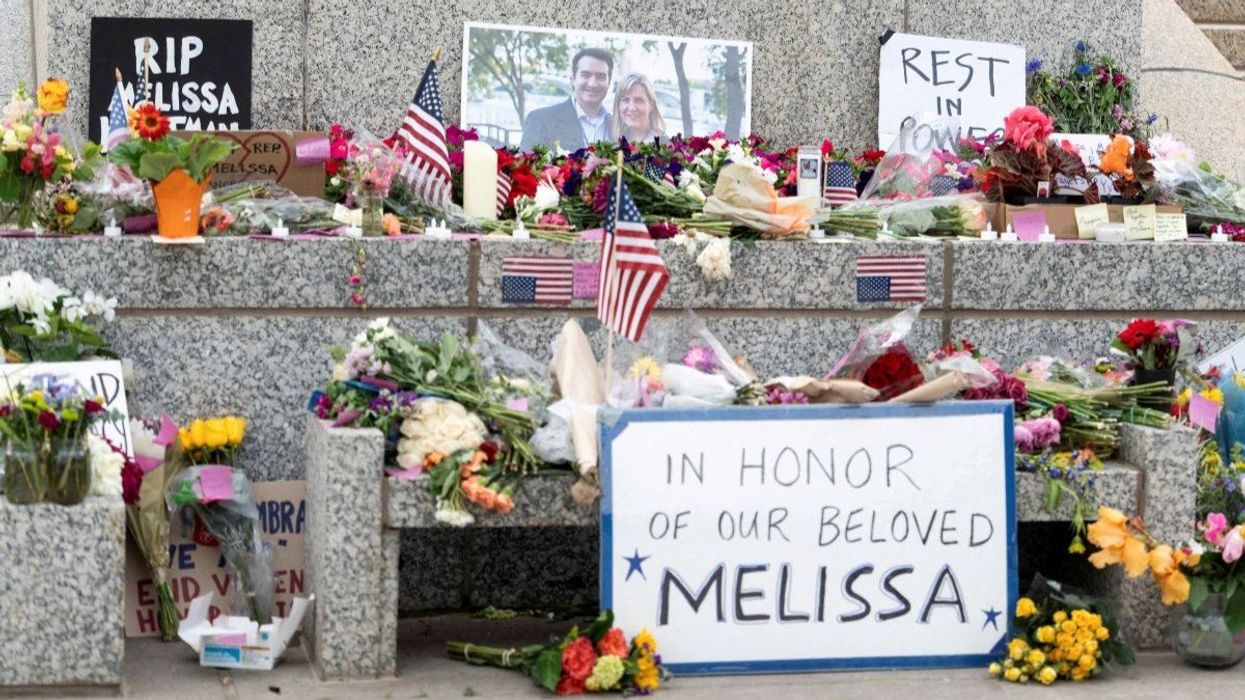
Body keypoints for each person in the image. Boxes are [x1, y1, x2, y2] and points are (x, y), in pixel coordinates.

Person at [519, 47, 614, 152]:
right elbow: (525, 166)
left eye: (601, 77)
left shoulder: (619, 128)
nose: (592, 84)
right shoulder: (540, 121)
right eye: (585, 75)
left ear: (608, 83)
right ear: (572, 79)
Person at [611, 73, 666, 144]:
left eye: (639, 100)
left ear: (652, 105)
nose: (631, 108)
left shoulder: (664, 144)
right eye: (625, 100)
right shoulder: (615, 140)